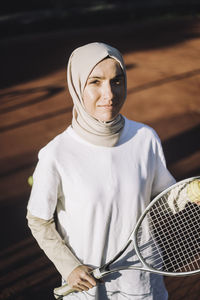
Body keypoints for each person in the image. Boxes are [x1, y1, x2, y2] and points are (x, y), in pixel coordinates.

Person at [27, 42, 176, 299]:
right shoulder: (56, 154)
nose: (109, 94)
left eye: (116, 81)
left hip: (141, 276)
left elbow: (163, 197)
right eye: (95, 82)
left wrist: (186, 195)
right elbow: (39, 220)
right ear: (76, 85)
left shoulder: (146, 138)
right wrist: (69, 266)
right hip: (87, 284)